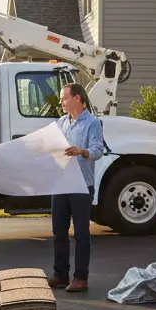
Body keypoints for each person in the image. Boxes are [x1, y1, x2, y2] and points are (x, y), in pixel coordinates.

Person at [49, 82, 104, 293]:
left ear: (78, 99)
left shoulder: (92, 123)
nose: (61, 102)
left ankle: (81, 278)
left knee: (81, 233)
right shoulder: (60, 123)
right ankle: (60, 275)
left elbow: (98, 150)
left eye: (64, 98)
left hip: (81, 184)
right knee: (58, 232)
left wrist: (81, 151)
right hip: (61, 183)